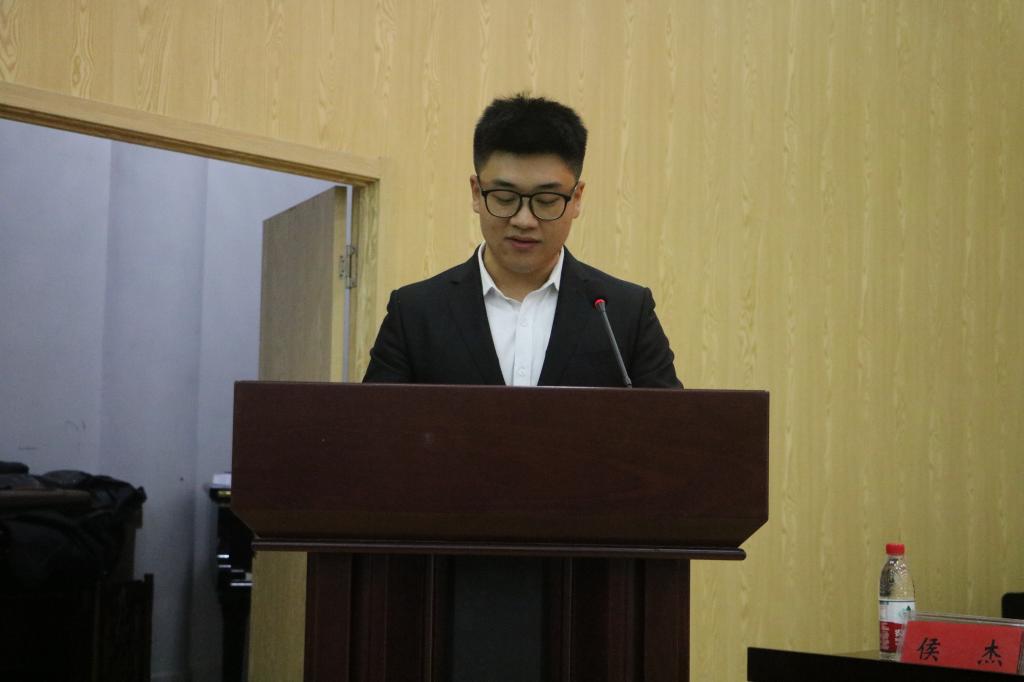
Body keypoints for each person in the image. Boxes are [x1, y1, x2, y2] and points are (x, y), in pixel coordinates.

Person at [363, 94, 681, 388]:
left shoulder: (624, 313)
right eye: (504, 198)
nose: (524, 220)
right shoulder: (415, 312)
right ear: (476, 193)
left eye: (546, 200)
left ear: (576, 198)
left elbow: (671, 425)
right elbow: (376, 425)